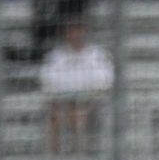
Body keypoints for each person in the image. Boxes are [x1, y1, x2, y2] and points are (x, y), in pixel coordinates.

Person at [41, 19, 112, 153]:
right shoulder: (57, 55)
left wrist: (85, 95)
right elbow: (48, 80)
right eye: (71, 32)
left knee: (79, 113)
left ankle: (79, 153)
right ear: (66, 34)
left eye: (78, 31)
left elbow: (105, 81)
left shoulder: (96, 54)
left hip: (90, 100)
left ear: (84, 33)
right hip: (63, 100)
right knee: (55, 113)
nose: (75, 35)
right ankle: (53, 155)